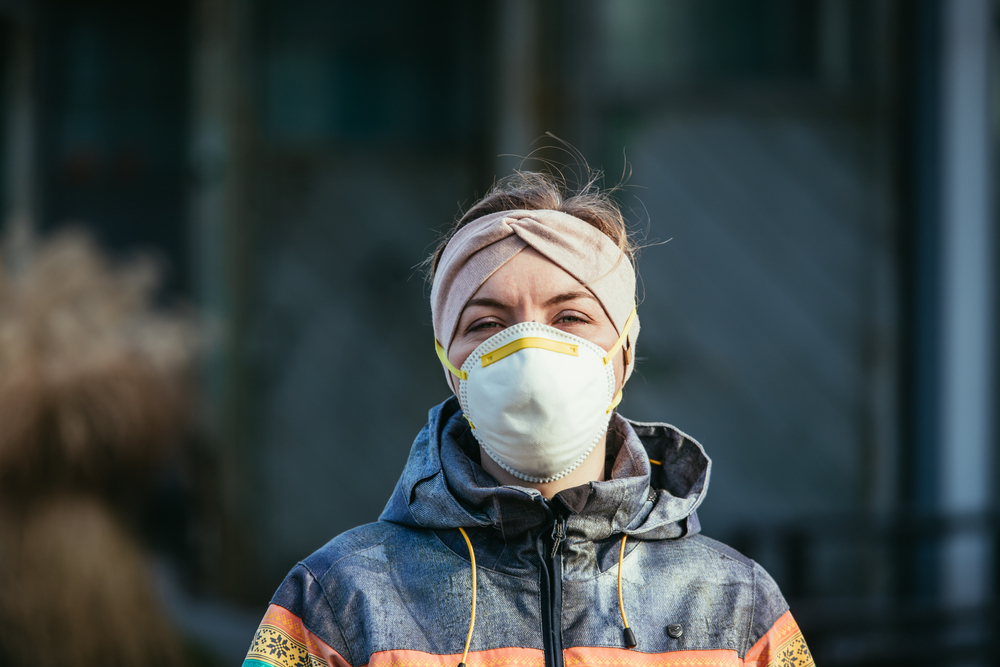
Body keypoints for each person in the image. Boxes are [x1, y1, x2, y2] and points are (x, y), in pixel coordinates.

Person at [243, 171, 813, 667]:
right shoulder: (339, 600)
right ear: (449, 365)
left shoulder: (736, 604)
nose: (530, 352)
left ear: (623, 355)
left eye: (570, 316)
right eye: (487, 325)